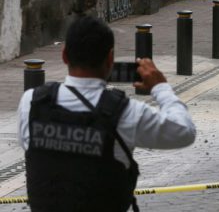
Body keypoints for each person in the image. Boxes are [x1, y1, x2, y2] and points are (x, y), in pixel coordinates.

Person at [17, 16, 197, 211]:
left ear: (64, 56)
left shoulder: (32, 103)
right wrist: (161, 87)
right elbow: (184, 131)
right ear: (110, 58)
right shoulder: (125, 113)